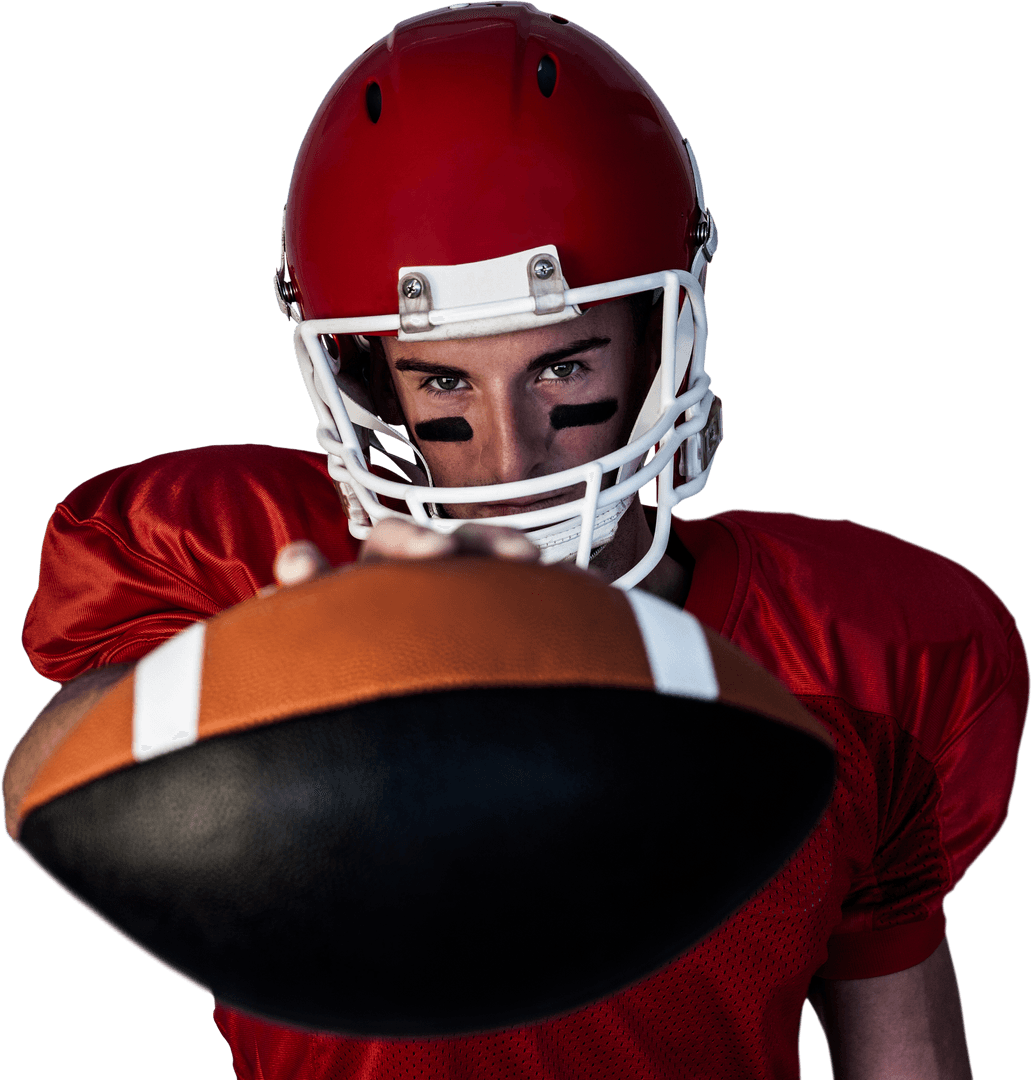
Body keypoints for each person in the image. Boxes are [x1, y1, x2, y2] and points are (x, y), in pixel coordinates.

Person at [3, 4, 1027, 1079]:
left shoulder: (855, 661)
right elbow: (46, 787)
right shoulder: (255, 570)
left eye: (561, 367)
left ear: (655, 343)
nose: (511, 460)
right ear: (368, 383)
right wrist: (307, 651)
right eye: (445, 380)